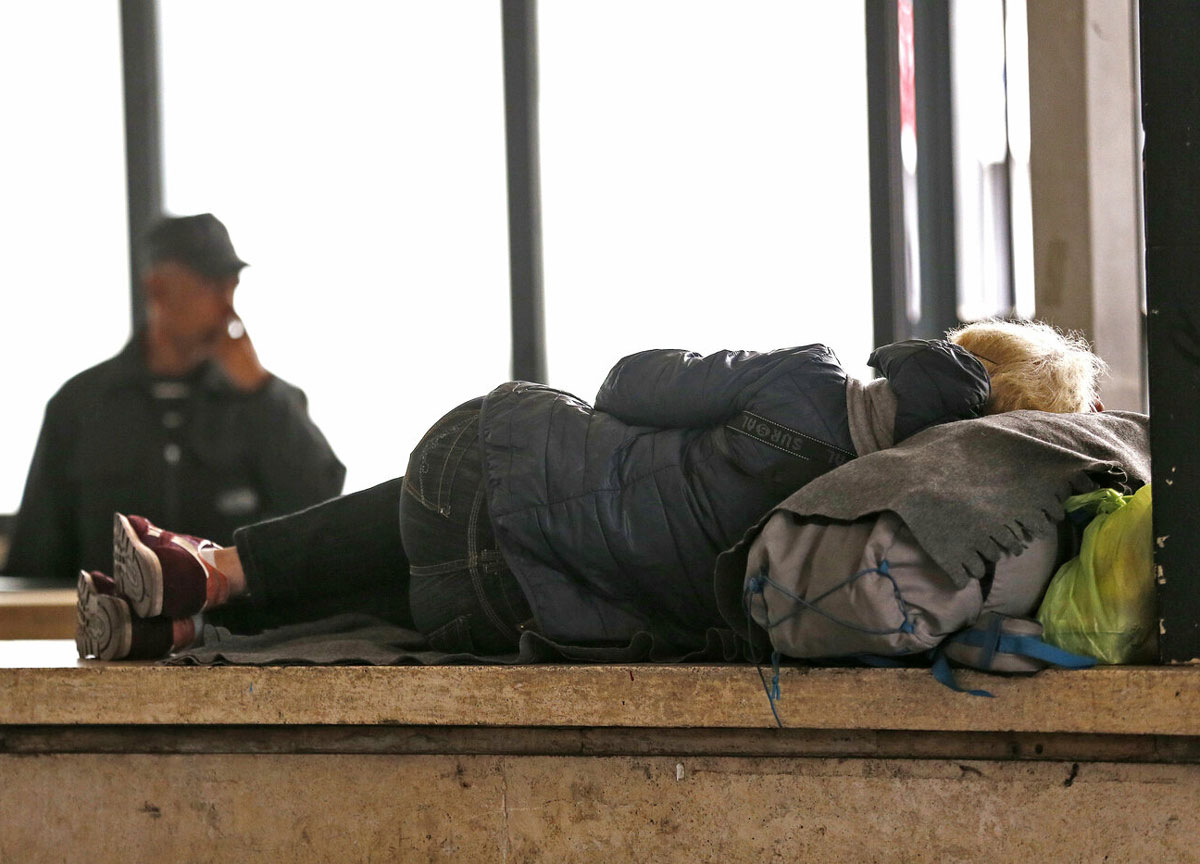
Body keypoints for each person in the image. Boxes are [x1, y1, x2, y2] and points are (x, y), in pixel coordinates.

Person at [75, 319, 1107, 661]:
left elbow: (629, 384)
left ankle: (215, 567)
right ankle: (190, 630)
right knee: (476, 569)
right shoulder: (921, 536)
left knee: (502, 463)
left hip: (477, 488)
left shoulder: (816, 379)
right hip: (538, 611)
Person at [6, 213, 345, 584]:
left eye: (231, 287)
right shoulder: (80, 405)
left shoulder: (265, 400)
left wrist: (262, 396)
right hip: (113, 634)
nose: (228, 308)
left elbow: (323, 517)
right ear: (157, 289)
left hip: (240, 635)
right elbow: (38, 554)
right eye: (209, 287)